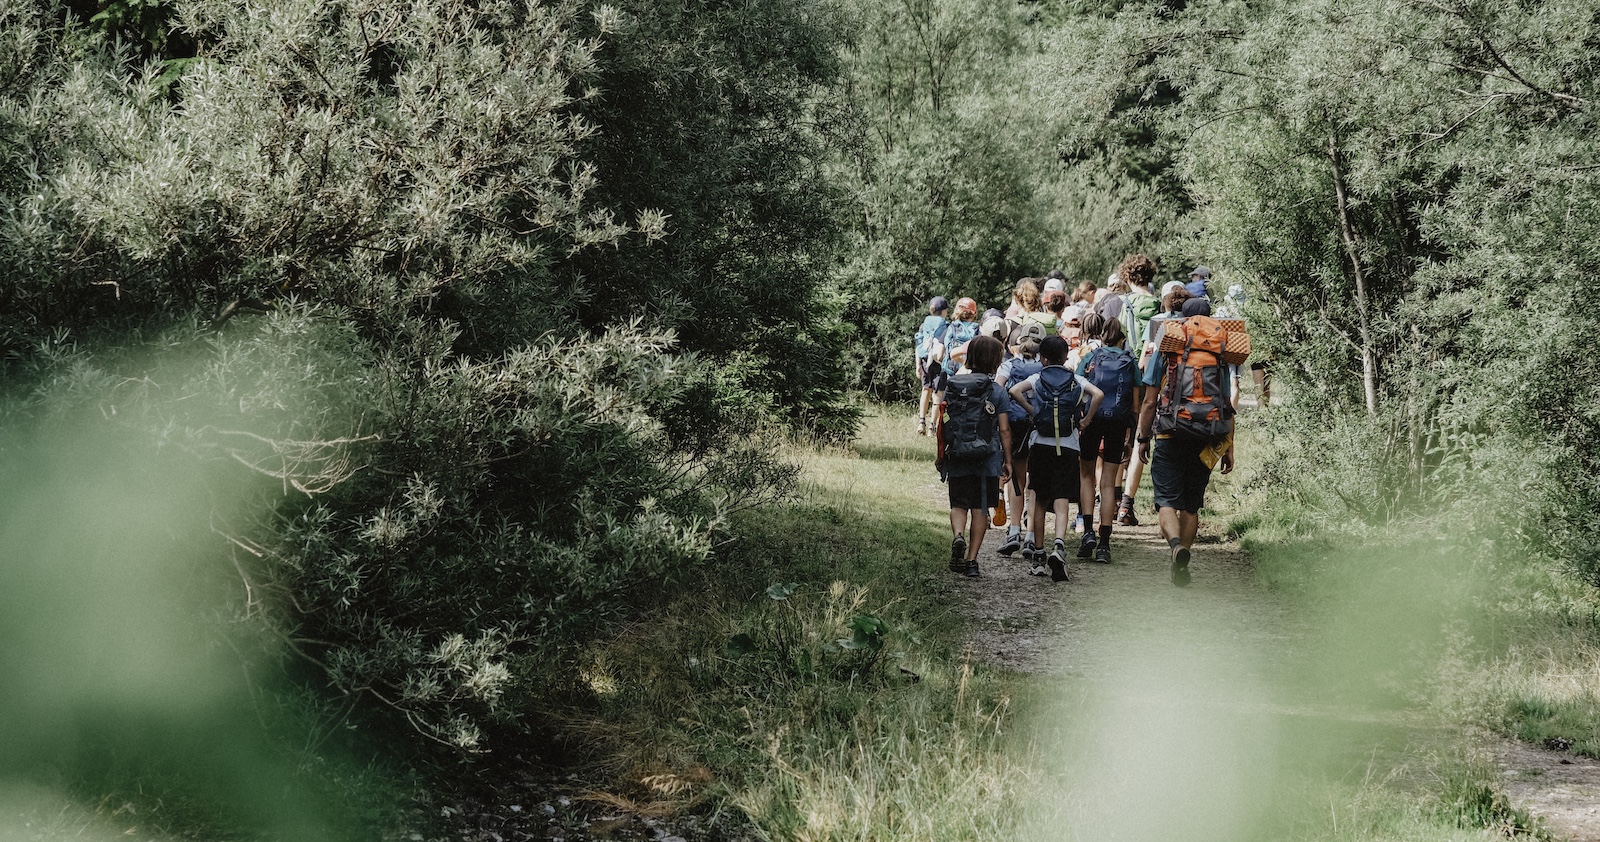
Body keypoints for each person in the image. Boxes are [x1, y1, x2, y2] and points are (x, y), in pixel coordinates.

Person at [1134, 297, 1236, 587]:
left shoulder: (1169, 345)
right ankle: (1183, 560)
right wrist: (1229, 446)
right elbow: (1227, 403)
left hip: (1171, 432)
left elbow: (1150, 401)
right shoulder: (1219, 349)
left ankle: (1176, 545)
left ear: (1181, 318)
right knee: (1191, 506)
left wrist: (1143, 438)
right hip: (1208, 434)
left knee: (1166, 500)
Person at [1008, 336, 1103, 582]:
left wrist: (1034, 412)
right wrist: (1085, 420)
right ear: (1064, 357)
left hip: (1040, 444)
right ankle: (1059, 546)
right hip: (1068, 446)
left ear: (1044, 358)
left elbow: (1014, 390)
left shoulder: (1038, 378)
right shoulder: (1075, 379)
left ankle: (1038, 556)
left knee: (1039, 499)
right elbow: (1098, 394)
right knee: (1061, 499)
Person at [938, 335, 1014, 578]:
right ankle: (971, 561)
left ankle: (958, 535)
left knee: (958, 503)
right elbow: (1004, 429)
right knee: (980, 508)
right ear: (994, 361)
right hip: (987, 457)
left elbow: (943, 421)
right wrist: (1008, 460)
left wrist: (941, 452)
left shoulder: (953, 385)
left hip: (958, 454)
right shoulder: (997, 391)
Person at [1076, 316, 1137, 564]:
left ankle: (1087, 530)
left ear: (1101, 337)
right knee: (1109, 483)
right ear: (1121, 339)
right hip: (1118, 422)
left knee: (1086, 475)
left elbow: (1077, 388)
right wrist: (1131, 435)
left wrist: (1081, 419)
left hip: (1092, 419)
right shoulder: (1130, 362)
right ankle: (1104, 543)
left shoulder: (1090, 357)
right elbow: (1136, 405)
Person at [995, 322, 1047, 558]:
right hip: (1039, 428)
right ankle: (1031, 535)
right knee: (1035, 481)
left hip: (1015, 426)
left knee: (1016, 480)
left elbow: (997, 391)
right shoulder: (1046, 369)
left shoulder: (1008, 365)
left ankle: (1014, 530)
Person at [914, 296, 950, 436]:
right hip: (938, 362)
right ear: (944, 311)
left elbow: (918, 345)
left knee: (925, 390)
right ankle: (932, 427)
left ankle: (921, 422)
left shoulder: (924, 325)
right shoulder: (946, 326)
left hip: (924, 360)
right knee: (937, 395)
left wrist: (918, 365)